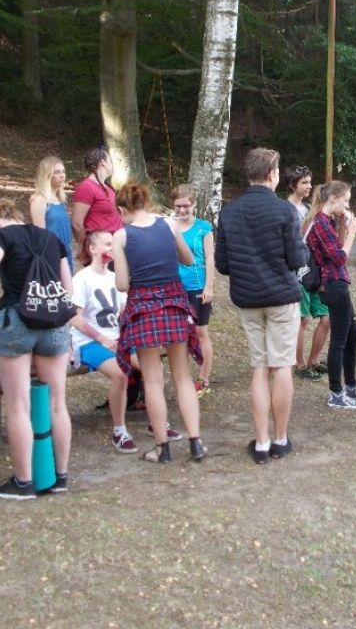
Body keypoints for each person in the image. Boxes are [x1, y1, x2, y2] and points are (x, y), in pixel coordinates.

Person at [216, 148, 306, 465]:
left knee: (260, 367)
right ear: (271, 174)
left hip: (249, 299)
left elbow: (223, 264)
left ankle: (262, 442)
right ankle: (280, 439)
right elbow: (297, 259)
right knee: (281, 366)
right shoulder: (284, 211)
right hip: (281, 298)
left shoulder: (229, 212)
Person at [0, 198, 73, 498]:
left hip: (17, 319)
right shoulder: (50, 238)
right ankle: (60, 476)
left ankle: (24, 482)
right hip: (54, 323)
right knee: (57, 402)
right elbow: (67, 286)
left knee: (18, 405)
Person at [112, 181, 205, 465]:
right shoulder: (169, 225)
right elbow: (188, 259)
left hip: (143, 308)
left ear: (122, 210)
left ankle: (162, 448)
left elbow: (122, 284)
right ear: (146, 202)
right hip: (174, 303)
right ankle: (196, 442)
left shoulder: (121, 236)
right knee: (183, 376)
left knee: (153, 380)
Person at [304, 181, 356, 409]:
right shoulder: (320, 224)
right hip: (333, 285)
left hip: (338, 283)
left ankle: (351, 386)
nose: (347, 205)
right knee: (339, 340)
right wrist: (353, 231)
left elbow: (337, 249)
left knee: (352, 336)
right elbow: (339, 257)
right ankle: (336, 393)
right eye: (345, 200)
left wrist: (345, 226)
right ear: (333, 198)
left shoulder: (328, 222)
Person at [68, 229, 138, 453]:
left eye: (113, 244)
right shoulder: (82, 279)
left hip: (116, 338)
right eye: (107, 244)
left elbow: (122, 312)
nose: (112, 248)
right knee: (120, 374)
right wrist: (102, 338)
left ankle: (156, 421)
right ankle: (119, 431)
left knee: (150, 364)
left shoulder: (115, 277)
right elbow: (74, 318)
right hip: (89, 341)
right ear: (93, 249)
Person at [171, 184, 216, 397]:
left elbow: (209, 257)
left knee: (200, 332)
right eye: (178, 206)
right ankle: (183, 378)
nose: (182, 210)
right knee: (178, 335)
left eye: (186, 206)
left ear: (194, 204)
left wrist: (209, 286)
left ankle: (203, 378)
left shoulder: (203, 227)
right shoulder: (169, 226)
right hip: (174, 288)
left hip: (197, 286)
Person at [287, 165, 329, 379]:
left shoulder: (309, 209)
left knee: (326, 318)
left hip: (317, 270)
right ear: (293, 184)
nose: (309, 186)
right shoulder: (285, 209)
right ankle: (300, 364)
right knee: (302, 320)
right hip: (298, 272)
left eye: (310, 182)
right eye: (304, 182)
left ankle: (314, 359)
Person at [30, 155, 74, 274]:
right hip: (51, 255)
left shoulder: (61, 200)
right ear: (47, 175)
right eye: (57, 172)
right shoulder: (40, 200)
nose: (62, 175)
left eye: (63, 171)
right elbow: (40, 236)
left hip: (66, 252)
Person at [71, 146, 123, 244]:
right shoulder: (86, 187)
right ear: (103, 162)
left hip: (116, 245)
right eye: (110, 161)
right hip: (101, 247)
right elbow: (76, 223)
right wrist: (87, 247)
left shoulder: (108, 188)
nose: (112, 165)